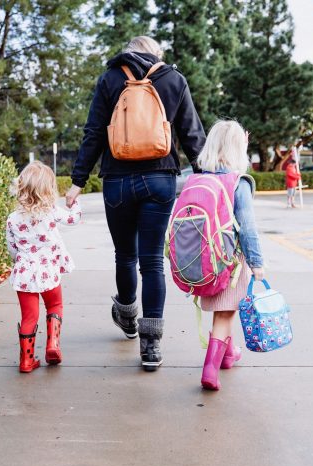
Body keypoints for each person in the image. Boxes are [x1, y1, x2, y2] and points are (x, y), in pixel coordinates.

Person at [66, 35, 206, 372]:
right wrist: (206, 177)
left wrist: (77, 181)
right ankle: (151, 346)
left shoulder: (111, 78)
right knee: (153, 261)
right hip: (160, 178)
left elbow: (94, 132)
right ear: (155, 53)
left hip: (116, 180)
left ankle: (127, 316)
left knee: (125, 255)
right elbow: (191, 133)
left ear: (128, 49)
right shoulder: (174, 79)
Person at [195, 120, 265, 390]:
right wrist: (257, 263)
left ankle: (228, 354)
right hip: (230, 262)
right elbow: (247, 228)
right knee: (223, 315)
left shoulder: (200, 178)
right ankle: (210, 370)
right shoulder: (238, 182)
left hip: (203, 260)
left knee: (227, 308)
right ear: (239, 149)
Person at [6, 161, 82, 373]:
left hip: (24, 275)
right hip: (48, 272)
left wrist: (20, 262)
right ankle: (52, 345)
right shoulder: (50, 211)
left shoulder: (12, 219)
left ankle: (26, 361)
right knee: (55, 305)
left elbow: (12, 248)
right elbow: (73, 219)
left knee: (29, 317)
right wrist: (74, 203)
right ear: (48, 189)